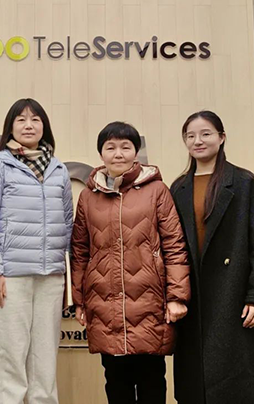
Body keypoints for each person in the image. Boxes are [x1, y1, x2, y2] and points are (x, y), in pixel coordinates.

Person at [71, 121, 191, 404]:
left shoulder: (157, 190)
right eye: (110, 147)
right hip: (105, 305)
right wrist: (79, 301)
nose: (118, 153)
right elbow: (80, 251)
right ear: (101, 153)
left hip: (150, 304)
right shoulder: (88, 196)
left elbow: (174, 245)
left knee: (152, 384)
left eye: (125, 147)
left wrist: (177, 297)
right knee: (116, 385)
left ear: (136, 152)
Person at [170, 110, 254, 404]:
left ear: (221, 137)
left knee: (237, 384)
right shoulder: (179, 187)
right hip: (194, 298)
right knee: (196, 385)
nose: (198, 141)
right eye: (190, 136)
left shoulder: (243, 182)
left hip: (235, 295)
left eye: (205, 134)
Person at [0, 98, 73, 404]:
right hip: (9, 278)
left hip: (51, 277)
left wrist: (66, 275)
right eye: (21, 120)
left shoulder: (58, 169)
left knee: (45, 365)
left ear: (44, 127)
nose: (28, 125)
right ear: (10, 128)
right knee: (10, 362)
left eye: (35, 119)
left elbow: (67, 223)